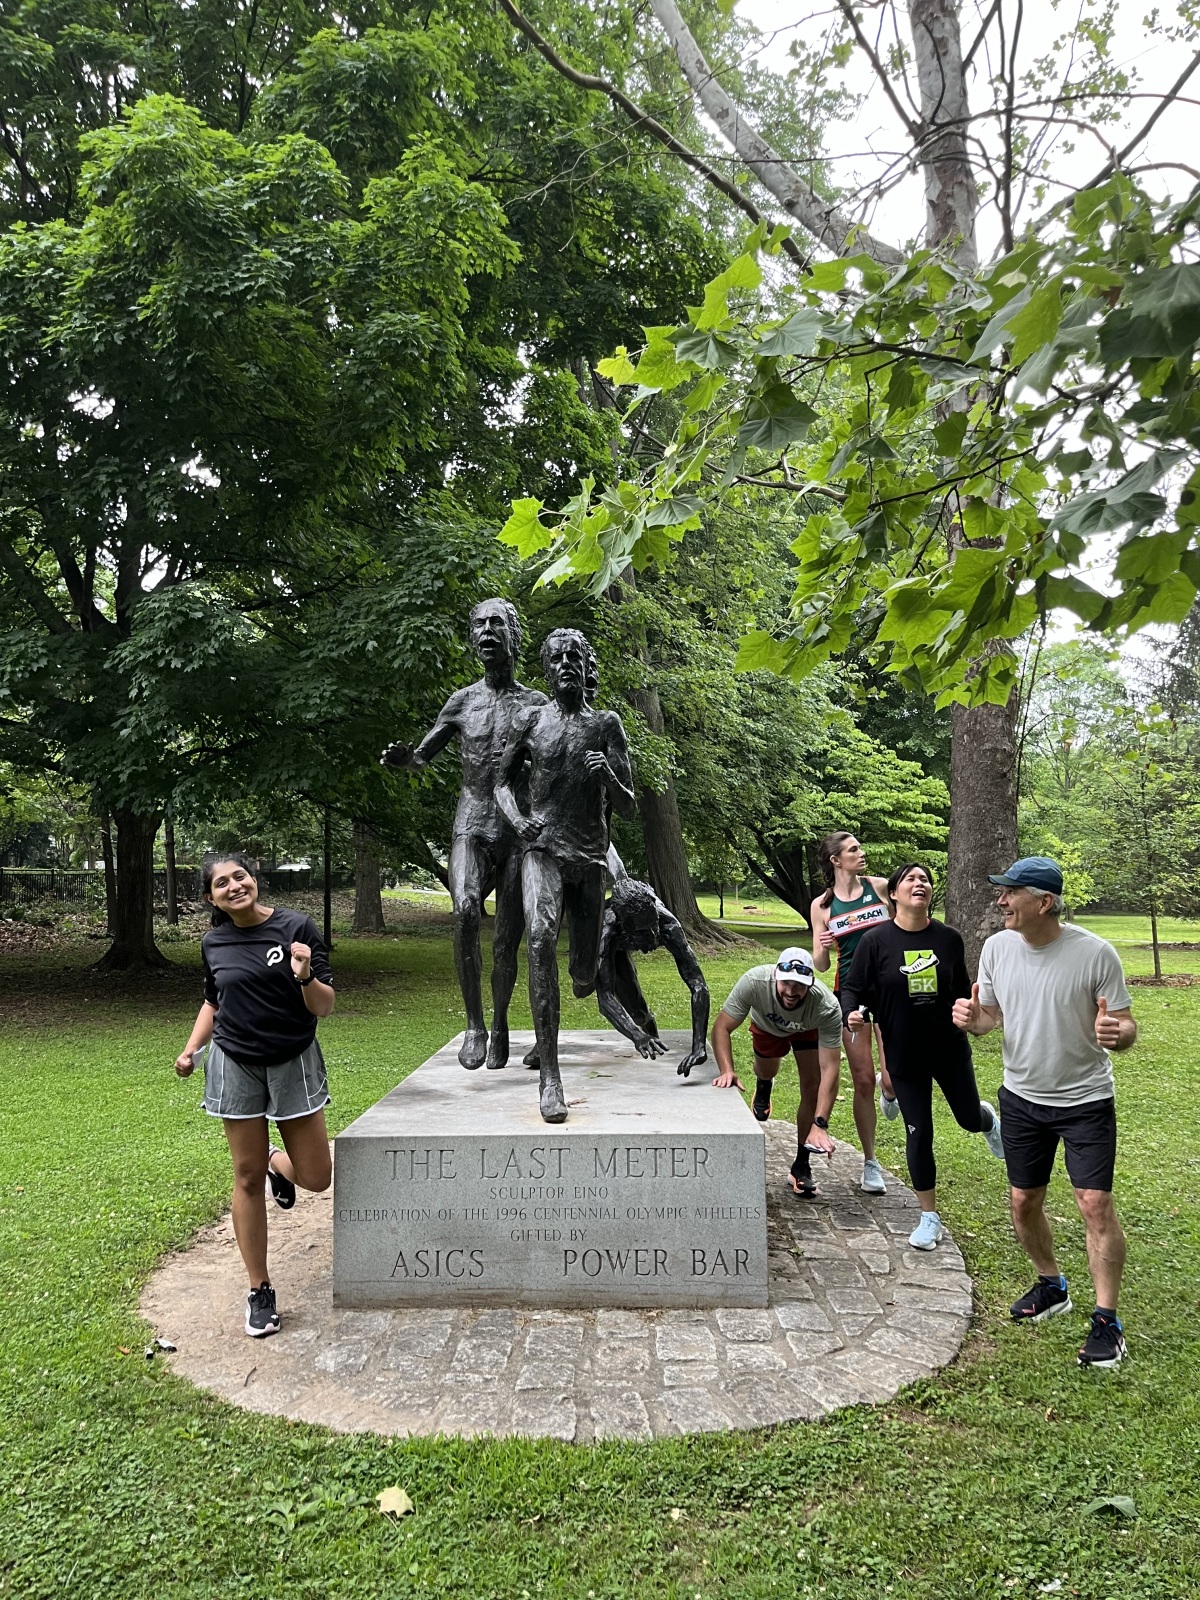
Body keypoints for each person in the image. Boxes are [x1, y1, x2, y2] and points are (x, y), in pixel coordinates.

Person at [953, 856, 1137, 1369]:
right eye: (1001, 892)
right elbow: (990, 1017)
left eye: (1011, 893)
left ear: (1044, 902)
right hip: (1022, 1098)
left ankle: (1107, 1321)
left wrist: (1116, 1034)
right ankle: (1051, 1284)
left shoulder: (1095, 954)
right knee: (1023, 1200)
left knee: (1095, 1204)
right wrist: (972, 1018)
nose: (1001, 901)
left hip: (1085, 1101)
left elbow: (1124, 1025)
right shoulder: (996, 948)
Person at [174, 856, 335, 1338]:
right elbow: (213, 1000)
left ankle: (277, 1164)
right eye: (221, 883)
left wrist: (304, 974)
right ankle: (259, 1289)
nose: (233, 886)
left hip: (294, 1060)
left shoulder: (296, 927)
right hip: (235, 1061)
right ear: (211, 898)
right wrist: (191, 1049)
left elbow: (324, 1006)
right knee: (243, 1177)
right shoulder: (213, 941)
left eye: (239, 876)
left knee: (317, 1178)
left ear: (254, 880)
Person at [381, 598, 544, 1071]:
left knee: (508, 939)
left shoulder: (535, 704)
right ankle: (475, 1024)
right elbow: (421, 756)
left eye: (497, 622)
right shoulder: (462, 701)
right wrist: (402, 758)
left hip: (515, 830)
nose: (487, 631)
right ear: (472, 638)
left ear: (514, 634)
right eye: (479, 625)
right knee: (466, 909)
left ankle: (500, 1021)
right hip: (471, 822)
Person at [495, 627, 636, 1123]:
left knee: (581, 974)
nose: (567, 663)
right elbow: (502, 785)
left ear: (585, 665)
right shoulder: (532, 721)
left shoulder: (606, 724)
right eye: (557, 657)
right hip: (543, 850)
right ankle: (549, 1075)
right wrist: (517, 821)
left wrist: (608, 776)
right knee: (537, 940)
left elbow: (631, 806)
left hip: (590, 858)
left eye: (575, 656)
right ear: (548, 669)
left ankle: (563, 1004)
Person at [841, 863, 1004, 1250]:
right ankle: (928, 1217)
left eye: (926, 879)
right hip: (904, 1054)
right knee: (920, 1132)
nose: (920, 883)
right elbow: (854, 987)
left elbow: (963, 990)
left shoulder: (948, 939)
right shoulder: (875, 942)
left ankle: (989, 1121)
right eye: (910, 879)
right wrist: (853, 1012)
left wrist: (971, 1011)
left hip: (949, 1049)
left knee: (967, 1120)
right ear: (894, 894)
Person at [710, 948, 846, 1197]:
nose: (791, 992)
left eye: (799, 985)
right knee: (767, 1068)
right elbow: (721, 1028)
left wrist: (820, 1123)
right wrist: (727, 1070)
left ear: (811, 982)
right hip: (767, 1026)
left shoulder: (826, 1006)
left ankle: (801, 1165)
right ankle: (764, 1085)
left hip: (808, 1028)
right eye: (786, 983)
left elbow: (830, 1069)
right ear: (775, 975)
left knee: (812, 1085)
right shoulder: (754, 981)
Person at [809, 831, 894, 1193]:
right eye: (854, 849)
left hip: (892, 990)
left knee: (890, 1079)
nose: (862, 853)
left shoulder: (880, 887)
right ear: (836, 860)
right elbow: (820, 964)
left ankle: (888, 1090)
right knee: (862, 1079)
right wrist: (824, 945)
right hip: (850, 994)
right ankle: (870, 1162)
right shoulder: (822, 906)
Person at [595, 876, 710, 1076]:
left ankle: (653, 1037)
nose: (651, 942)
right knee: (581, 984)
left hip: (627, 936)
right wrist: (636, 1036)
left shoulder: (668, 925)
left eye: (652, 928)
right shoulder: (607, 930)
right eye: (641, 935)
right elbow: (604, 997)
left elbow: (698, 985)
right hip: (614, 949)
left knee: (639, 1013)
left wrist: (699, 1046)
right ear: (623, 926)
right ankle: (542, 1048)